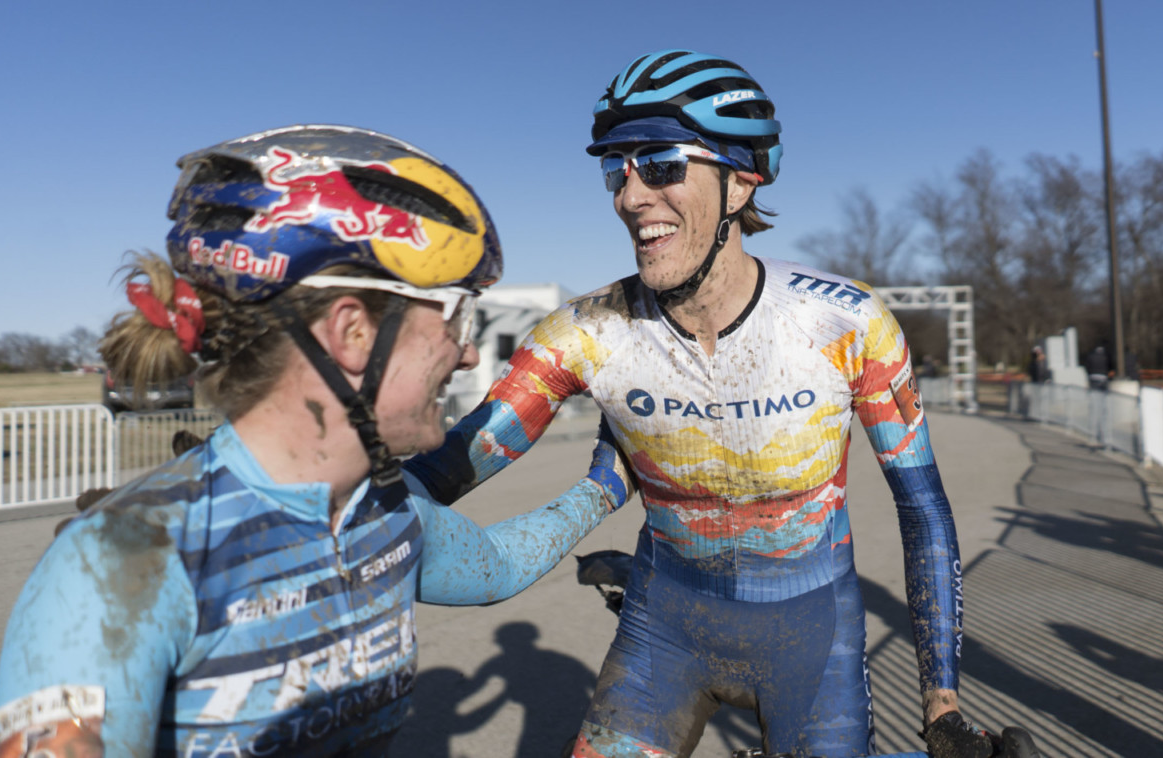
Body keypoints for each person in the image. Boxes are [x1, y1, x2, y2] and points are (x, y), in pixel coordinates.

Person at [405, 51, 1035, 758]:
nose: (630, 196)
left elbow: (924, 512)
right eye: (619, 169)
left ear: (741, 183)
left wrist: (941, 707)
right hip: (664, 629)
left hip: (813, 640)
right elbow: (431, 480)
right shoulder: (581, 335)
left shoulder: (848, 324)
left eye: (663, 165)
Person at [0, 126, 629, 756]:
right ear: (352, 333)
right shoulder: (114, 567)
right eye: (457, 317)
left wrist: (606, 486)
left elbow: (494, 566)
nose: (466, 355)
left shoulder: (381, 509)